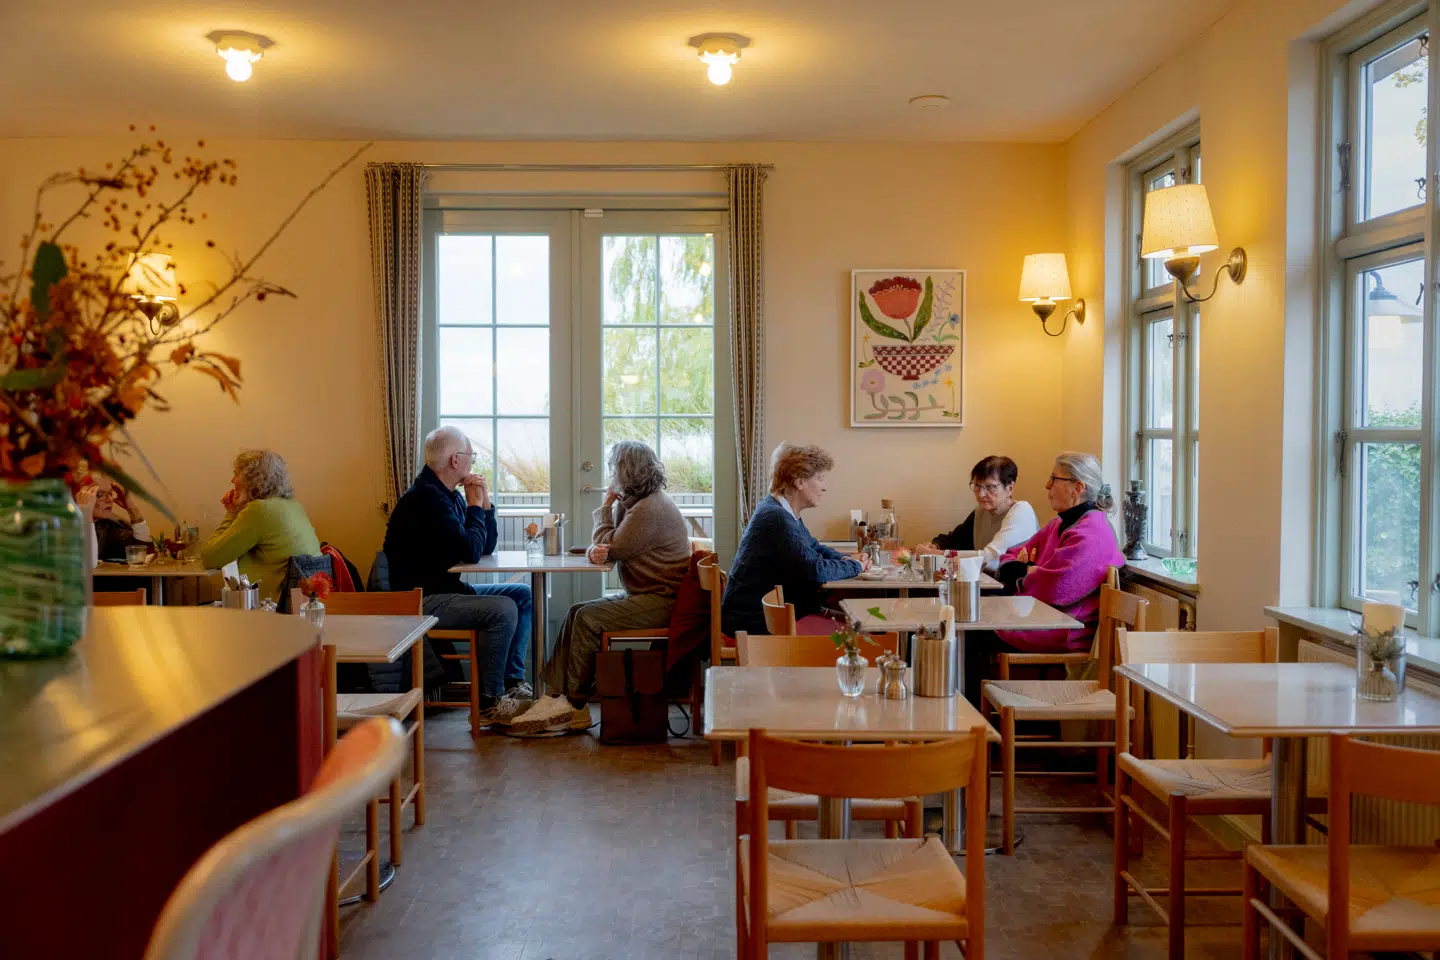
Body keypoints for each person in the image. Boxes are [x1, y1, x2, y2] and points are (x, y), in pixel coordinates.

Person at [511, 441, 691, 734]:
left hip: (661, 600)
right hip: (650, 595)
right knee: (576, 611)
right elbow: (609, 543)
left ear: (625, 472)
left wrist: (606, 508)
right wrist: (602, 540)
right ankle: (556, 698)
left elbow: (612, 546)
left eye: (613, 468)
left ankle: (573, 703)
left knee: (587, 618)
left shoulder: (648, 509)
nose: (610, 474)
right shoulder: (638, 503)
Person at [383, 425, 534, 726]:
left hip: (446, 589)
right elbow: (472, 550)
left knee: (521, 595)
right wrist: (475, 505)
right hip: (423, 600)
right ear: (455, 461)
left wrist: (484, 502)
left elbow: (485, 545)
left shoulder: (447, 494)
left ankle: (511, 680)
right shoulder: (427, 500)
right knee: (503, 608)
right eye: (470, 456)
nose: (472, 462)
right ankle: (489, 702)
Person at [962, 451, 1126, 705]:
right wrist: (1027, 569)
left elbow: (1055, 589)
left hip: (1061, 629)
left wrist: (1026, 570)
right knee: (967, 616)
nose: (1047, 486)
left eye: (1053, 479)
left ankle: (974, 720)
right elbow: (1010, 556)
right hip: (1039, 614)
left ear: (1077, 488)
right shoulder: (1059, 524)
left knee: (968, 629)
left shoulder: (1092, 531)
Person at [722, 443, 869, 637]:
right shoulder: (777, 518)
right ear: (799, 482)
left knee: (857, 621)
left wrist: (845, 559)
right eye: (820, 478)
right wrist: (856, 566)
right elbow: (815, 570)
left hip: (761, 615)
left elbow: (813, 546)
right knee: (864, 631)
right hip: (754, 622)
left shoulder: (779, 510)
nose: (824, 487)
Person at [200, 450, 321, 604]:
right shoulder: (293, 506)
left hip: (266, 610)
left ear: (251, 478)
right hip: (300, 607)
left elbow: (210, 557)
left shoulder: (259, 510)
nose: (232, 480)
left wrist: (231, 513)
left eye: (236, 474)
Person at [915, 455, 1037, 572]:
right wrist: (934, 547)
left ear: (1010, 488)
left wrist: (941, 554)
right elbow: (955, 540)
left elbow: (992, 558)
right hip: (987, 583)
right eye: (977, 486)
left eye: (990, 487)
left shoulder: (1022, 511)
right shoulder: (982, 511)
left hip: (1015, 588)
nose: (980, 494)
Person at [74, 471, 150, 562]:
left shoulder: (108, 526)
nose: (110, 500)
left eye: (110, 493)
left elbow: (143, 553)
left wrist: (133, 509)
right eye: (100, 494)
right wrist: (85, 513)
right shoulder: (62, 526)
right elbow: (86, 564)